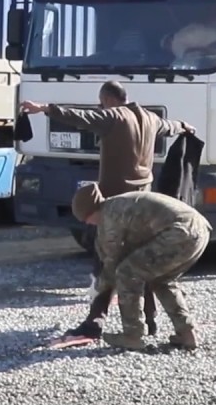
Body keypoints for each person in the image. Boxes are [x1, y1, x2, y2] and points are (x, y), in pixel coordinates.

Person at [20, 80, 195, 270]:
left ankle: (105, 290)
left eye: (101, 103)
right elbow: (170, 127)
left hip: (116, 195)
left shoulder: (113, 116)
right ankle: (136, 287)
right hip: (144, 194)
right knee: (136, 243)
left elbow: (80, 116)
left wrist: (45, 108)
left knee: (109, 248)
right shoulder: (150, 118)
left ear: (108, 99)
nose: (100, 107)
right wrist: (184, 126)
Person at [72, 183, 211, 351]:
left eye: (87, 219)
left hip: (178, 233)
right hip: (199, 231)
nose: (90, 224)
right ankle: (187, 333)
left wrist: (98, 287)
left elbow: (112, 261)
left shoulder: (109, 214)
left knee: (126, 273)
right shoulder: (119, 204)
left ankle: (132, 335)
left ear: (92, 211)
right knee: (162, 280)